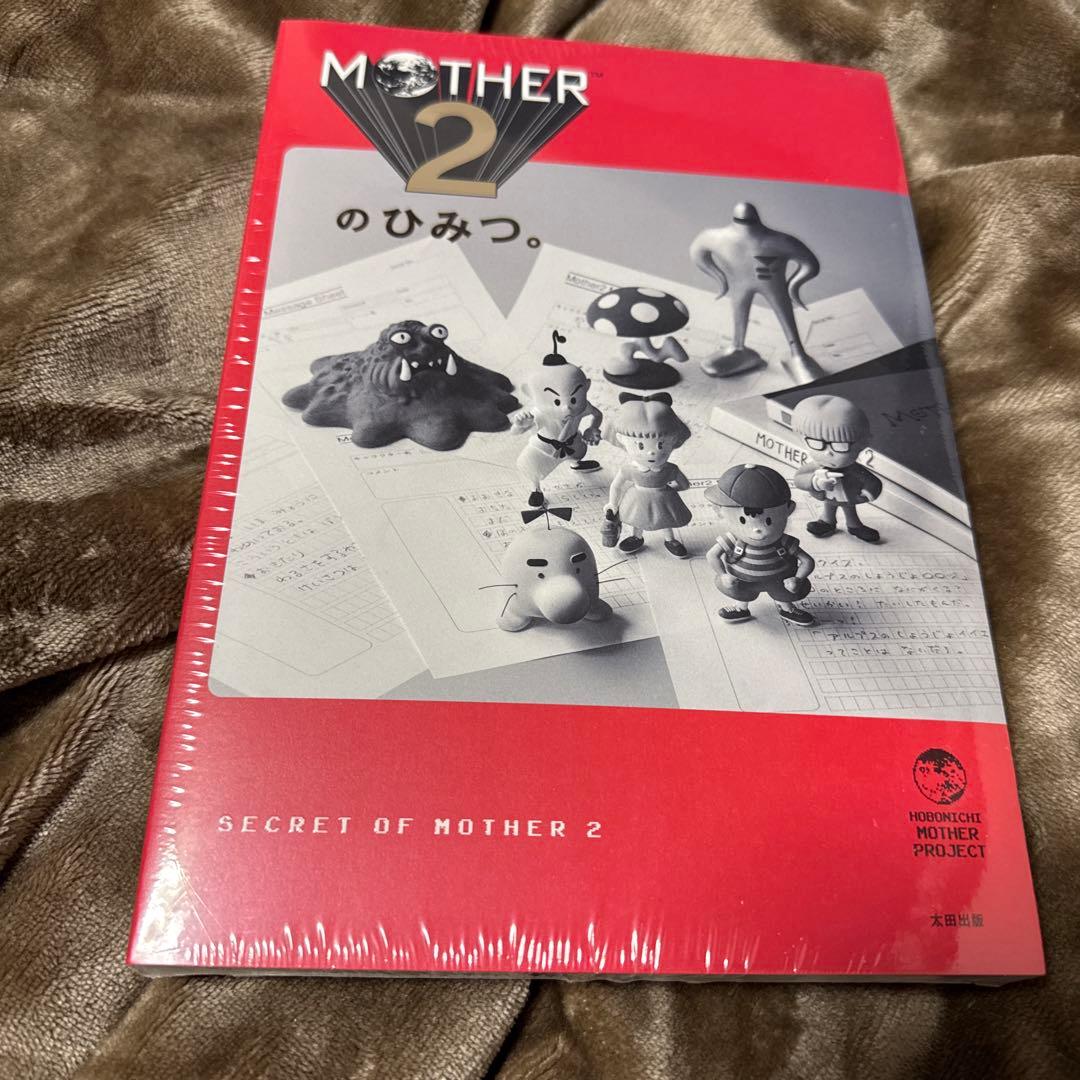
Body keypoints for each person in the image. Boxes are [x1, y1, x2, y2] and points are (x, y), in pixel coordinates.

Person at [704, 463, 816, 626]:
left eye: (768, 521)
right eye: (743, 520)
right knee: (741, 593)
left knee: (784, 594)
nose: (757, 530)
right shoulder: (732, 540)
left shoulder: (785, 542)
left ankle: (787, 609)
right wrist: (723, 575)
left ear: (789, 510)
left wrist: (798, 579)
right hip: (743, 581)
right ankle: (741, 608)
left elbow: (807, 561)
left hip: (780, 581)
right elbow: (712, 555)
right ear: (719, 511)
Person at [604, 392, 692, 557]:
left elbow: (684, 484)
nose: (651, 453)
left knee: (666, 519)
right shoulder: (629, 470)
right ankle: (637, 537)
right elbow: (616, 485)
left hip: (663, 499)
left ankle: (670, 539)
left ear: (674, 440)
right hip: (637, 500)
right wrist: (612, 504)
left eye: (660, 445)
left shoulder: (670, 469)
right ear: (621, 439)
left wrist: (670, 489)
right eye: (640, 446)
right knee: (638, 518)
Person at [790, 394, 883, 542]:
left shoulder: (854, 470)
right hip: (828, 496)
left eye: (839, 446)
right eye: (816, 443)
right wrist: (816, 482)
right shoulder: (816, 467)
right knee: (829, 505)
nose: (828, 452)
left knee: (849, 508)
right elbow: (799, 479)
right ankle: (827, 521)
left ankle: (854, 525)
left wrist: (868, 492)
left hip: (849, 497)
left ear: (862, 444)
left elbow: (872, 482)